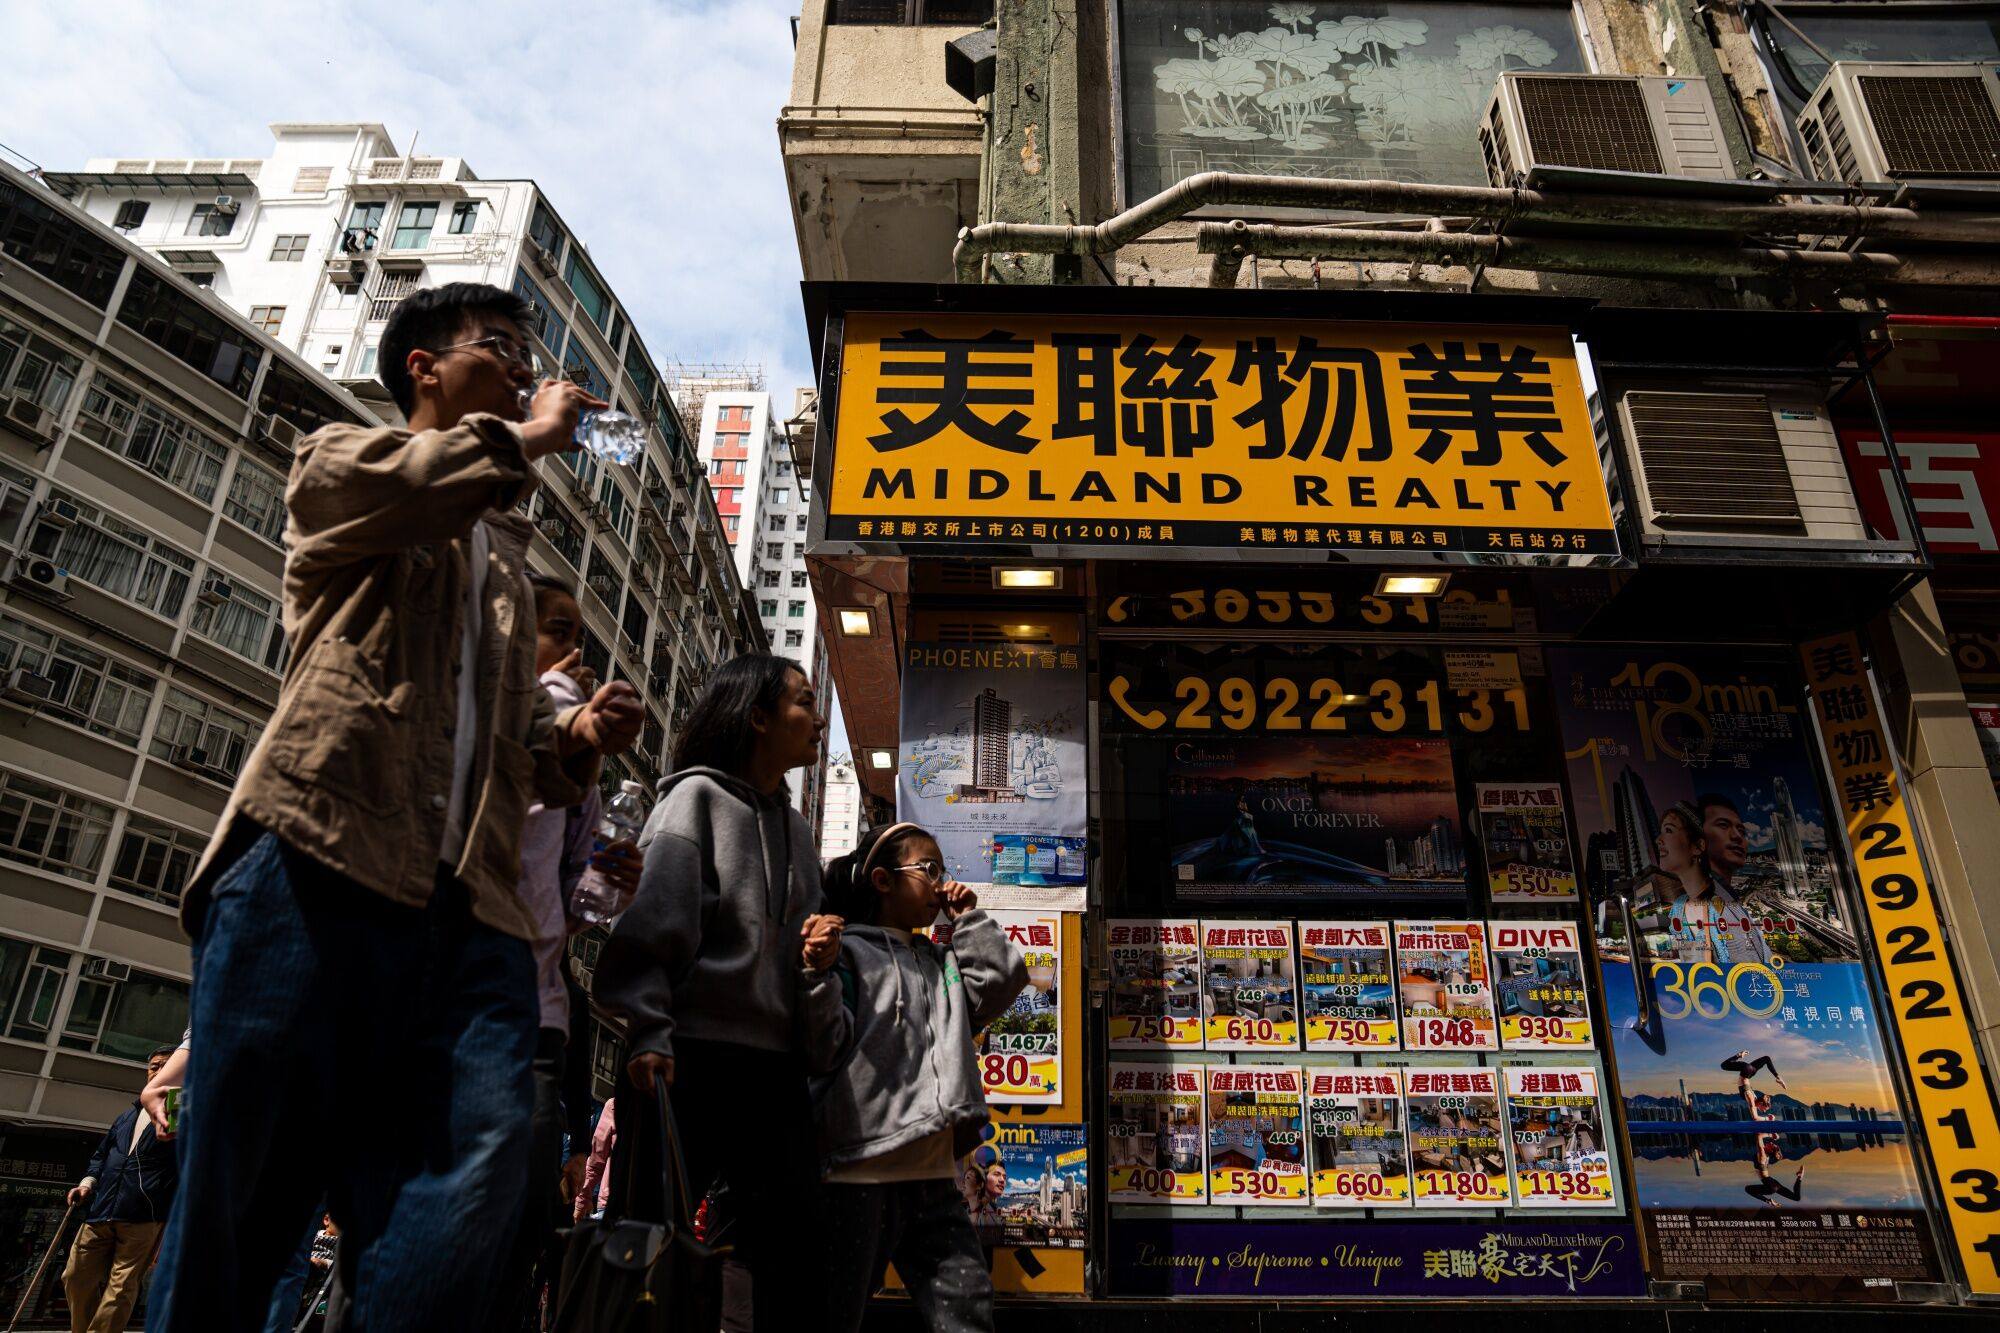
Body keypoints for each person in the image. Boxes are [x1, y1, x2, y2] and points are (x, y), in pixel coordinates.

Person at [148, 282, 644, 1332]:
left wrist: (575, 746)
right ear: (424, 367)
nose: (525, 370)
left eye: (528, 355)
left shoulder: (506, 571)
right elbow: (421, 482)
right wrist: (527, 439)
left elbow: (513, 755)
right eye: (502, 349)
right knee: (242, 1215)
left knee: (465, 1200)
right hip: (315, 866)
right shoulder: (343, 463)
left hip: (472, 919)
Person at [593, 654, 827, 1328]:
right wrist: (647, 1029)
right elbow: (647, 929)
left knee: (795, 1251)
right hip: (682, 1060)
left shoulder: (800, 831)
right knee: (649, 1248)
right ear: (758, 716)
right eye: (802, 702)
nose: (814, 719)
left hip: (774, 1070)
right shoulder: (692, 801)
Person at [802, 821, 1028, 1333]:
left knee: (967, 1309)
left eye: (942, 870)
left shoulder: (941, 961)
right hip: (859, 1174)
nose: (941, 880)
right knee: (835, 1312)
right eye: (929, 869)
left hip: (932, 1178)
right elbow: (821, 1047)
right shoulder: (850, 954)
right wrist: (816, 974)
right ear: (882, 881)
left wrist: (968, 918)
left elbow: (1002, 982)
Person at [493, 572, 643, 1329]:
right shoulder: (478, 703)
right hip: (463, 986)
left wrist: (610, 886)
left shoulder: (581, 761)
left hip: (540, 1007)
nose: (575, 651)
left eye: (576, 637)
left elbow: (569, 902)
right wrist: (574, 718)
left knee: (514, 1221)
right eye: (555, 628)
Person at [62, 1046, 179, 1333]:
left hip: (144, 1215)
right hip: (101, 1209)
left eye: (166, 1065)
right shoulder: (127, 1116)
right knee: (75, 1277)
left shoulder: (179, 1111)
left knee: (121, 1287)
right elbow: (101, 1156)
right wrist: (87, 1183)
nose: (158, 1070)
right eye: (153, 1066)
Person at [1656, 800, 1773, 969]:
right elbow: (1692, 968)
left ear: (1698, 846)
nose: (1658, 840)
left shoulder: (1726, 908)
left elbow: (1752, 978)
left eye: (1668, 830)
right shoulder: (1679, 907)